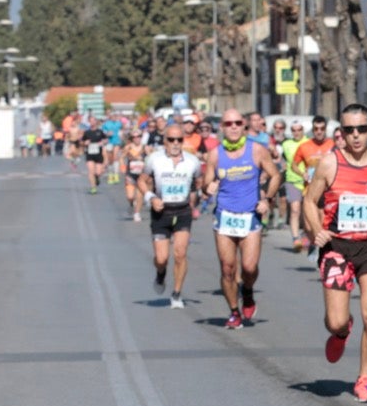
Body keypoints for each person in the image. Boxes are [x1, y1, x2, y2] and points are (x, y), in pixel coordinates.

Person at [302, 103, 367, 402]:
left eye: (361, 129)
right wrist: (315, 231)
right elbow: (310, 201)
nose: (356, 136)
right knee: (336, 321)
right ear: (342, 133)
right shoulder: (329, 163)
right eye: (349, 130)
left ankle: (364, 379)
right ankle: (341, 331)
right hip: (336, 246)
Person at [203, 110, 280, 330]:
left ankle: (247, 291)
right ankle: (234, 312)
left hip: (250, 216)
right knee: (227, 269)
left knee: (248, 267)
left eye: (238, 123)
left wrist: (268, 199)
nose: (234, 127)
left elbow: (275, 175)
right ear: (223, 128)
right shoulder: (215, 154)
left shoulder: (256, 150)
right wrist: (207, 188)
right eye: (229, 123)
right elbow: (206, 184)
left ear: (244, 126)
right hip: (225, 216)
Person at [141, 124, 201, 308]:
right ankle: (161, 273)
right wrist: (151, 198)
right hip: (161, 212)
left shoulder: (193, 161)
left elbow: (197, 182)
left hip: (182, 211)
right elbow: (142, 180)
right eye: (171, 139)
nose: (175, 144)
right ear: (164, 141)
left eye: (179, 140)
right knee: (161, 259)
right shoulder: (154, 159)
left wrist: (194, 200)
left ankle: (176, 293)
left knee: (180, 254)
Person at [292, 116, 335, 254]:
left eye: (322, 128)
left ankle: (320, 249)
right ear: (312, 129)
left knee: (322, 221)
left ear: (325, 129)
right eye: (316, 129)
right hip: (309, 189)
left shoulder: (332, 145)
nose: (319, 131)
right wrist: (302, 173)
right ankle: (311, 240)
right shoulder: (304, 146)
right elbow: (293, 165)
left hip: (327, 191)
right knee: (309, 225)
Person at [280, 120, 311, 251]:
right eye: (294, 130)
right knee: (295, 209)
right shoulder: (286, 144)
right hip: (292, 181)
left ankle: (306, 235)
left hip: (308, 181)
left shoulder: (309, 143)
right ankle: (295, 238)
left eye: (299, 130)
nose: (297, 132)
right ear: (290, 131)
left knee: (307, 211)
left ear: (303, 130)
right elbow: (284, 159)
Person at [120, 131, 148, 222]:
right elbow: (121, 157)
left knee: (140, 195)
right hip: (131, 174)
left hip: (142, 175)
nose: (137, 138)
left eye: (138, 136)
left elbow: (151, 158)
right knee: (130, 196)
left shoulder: (145, 148)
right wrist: (122, 167)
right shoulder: (128, 147)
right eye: (134, 137)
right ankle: (131, 204)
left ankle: (137, 213)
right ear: (131, 138)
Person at [80, 121, 107, 194]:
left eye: (93, 121)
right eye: (91, 121)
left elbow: (105, 139)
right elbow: (81, 142)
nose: (92, 123)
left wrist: (103, 142)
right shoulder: (87, 132)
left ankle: (97, 177)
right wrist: (85, 143)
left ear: (96, 123)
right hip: (90, 154)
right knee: (91, 171)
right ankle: (93, 187)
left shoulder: (100, 132)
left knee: (98, 172)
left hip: (98, 154)